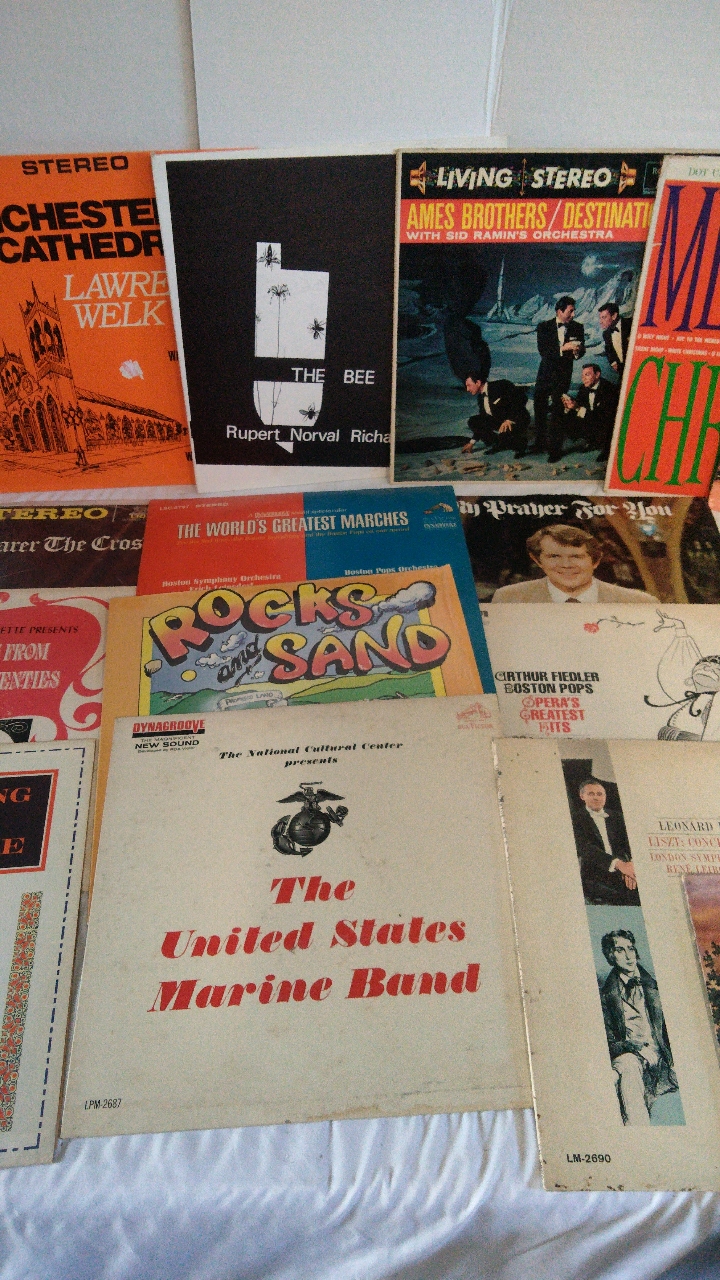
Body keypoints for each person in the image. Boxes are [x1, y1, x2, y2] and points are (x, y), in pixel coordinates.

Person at [600, 929, 678, 1125]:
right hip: (632, 1057)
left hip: (661, 1058)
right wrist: (635, 1047)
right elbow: (608, 1043)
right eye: (620, 950)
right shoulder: (606, 996)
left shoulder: (655, 987)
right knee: (626, 1064)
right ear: (610, 955)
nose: (628, 956)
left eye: (631, 949)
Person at [491, 524, 658, 602]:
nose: (566, 565)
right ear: (538, 561)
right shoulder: (508, 598)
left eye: (576, 557)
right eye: (554, 556)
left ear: (595, 561)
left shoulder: (640, 602)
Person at [570, 777, 640, 905]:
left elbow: (631, 844)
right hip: (595, 874)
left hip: (624, 871)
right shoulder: (575, 819)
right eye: (591, 794)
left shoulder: (617, 817)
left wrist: (631, 866)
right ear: (582, 796)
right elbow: (586, 848)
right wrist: (619, 865)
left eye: (600, 794)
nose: (596, 797)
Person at [533, 296, 585, 461]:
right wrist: (563, 348)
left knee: (558, 410)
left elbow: (581, 351)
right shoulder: (544, 327)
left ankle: (555, 450)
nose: (573, 314)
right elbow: (543, 351)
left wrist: (577, 352)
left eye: (574, 311)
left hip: (563, 376)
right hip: (545, 374)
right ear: (559, 311)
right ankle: (539, 442)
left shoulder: (578, 327)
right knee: (539, 407)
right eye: (570, 311)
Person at [460, 376, 530, 458]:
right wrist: (471, 443)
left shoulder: (501, 385)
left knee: (512, 441)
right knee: (474, 421)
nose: (467, 389)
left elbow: (522, 398)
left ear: (478, 383)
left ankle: (519, 443)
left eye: (469, 385)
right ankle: (498, 443)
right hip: (500, 422)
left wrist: (509, 419)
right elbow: (483, 421)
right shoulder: (480, 398)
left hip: (517, 419)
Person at [562, 363, 619, 462]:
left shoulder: (609, 389)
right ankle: (592, 441)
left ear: (597, 375)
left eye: (587, 375)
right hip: (593, 420)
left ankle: (607, 450)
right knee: (567, 415)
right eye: (582, 375)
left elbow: (603, 417)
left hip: (609, 423)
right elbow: (579, 408)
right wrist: (569, 406)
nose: (583, 378)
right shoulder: (583, 388)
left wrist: (578, 408)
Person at [598, 303, 632, 377]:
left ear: (614, 316)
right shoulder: (606, 334)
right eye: (600, 318)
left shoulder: (632, 324)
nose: (600, 321)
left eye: (604, 317)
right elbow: (608, 349)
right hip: (622, 371)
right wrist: (613, 362)